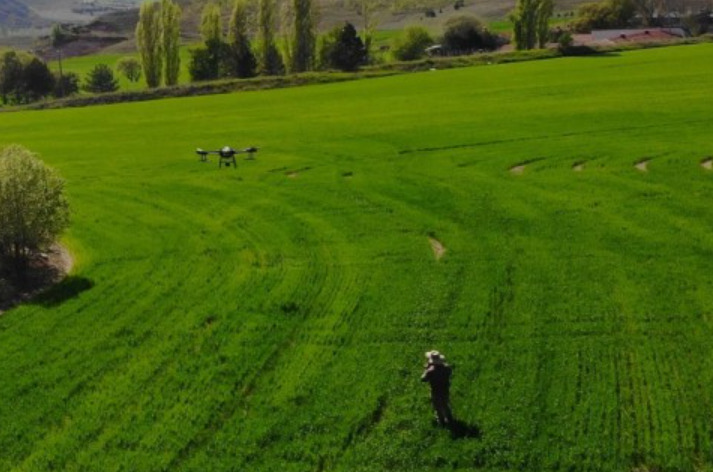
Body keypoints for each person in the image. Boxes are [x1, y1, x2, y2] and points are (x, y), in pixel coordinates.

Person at [421, 350, 454, 427]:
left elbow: (423, 379)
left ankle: (441, 421)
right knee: (445, 404)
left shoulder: (430, 371)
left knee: (437, 406)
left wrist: (426, 370)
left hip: (435, 391)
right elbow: (449, 371)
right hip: (445, 390)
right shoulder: (447, 368)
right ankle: (449, 419)